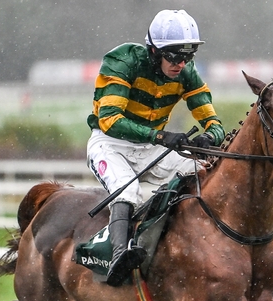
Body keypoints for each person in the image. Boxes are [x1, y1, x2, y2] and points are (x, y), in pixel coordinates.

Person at [86, 9, 225, 286]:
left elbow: (214, 122)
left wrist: (210, 138)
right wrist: (161, 138)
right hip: (110, 144)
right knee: (127, 190)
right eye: (173, 56)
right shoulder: (122, 61)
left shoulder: (187, 73)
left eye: (187, 56)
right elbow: (111, 120)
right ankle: (117, 258)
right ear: (153, 50)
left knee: (203, 172)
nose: (180, 64)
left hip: (150, 147)